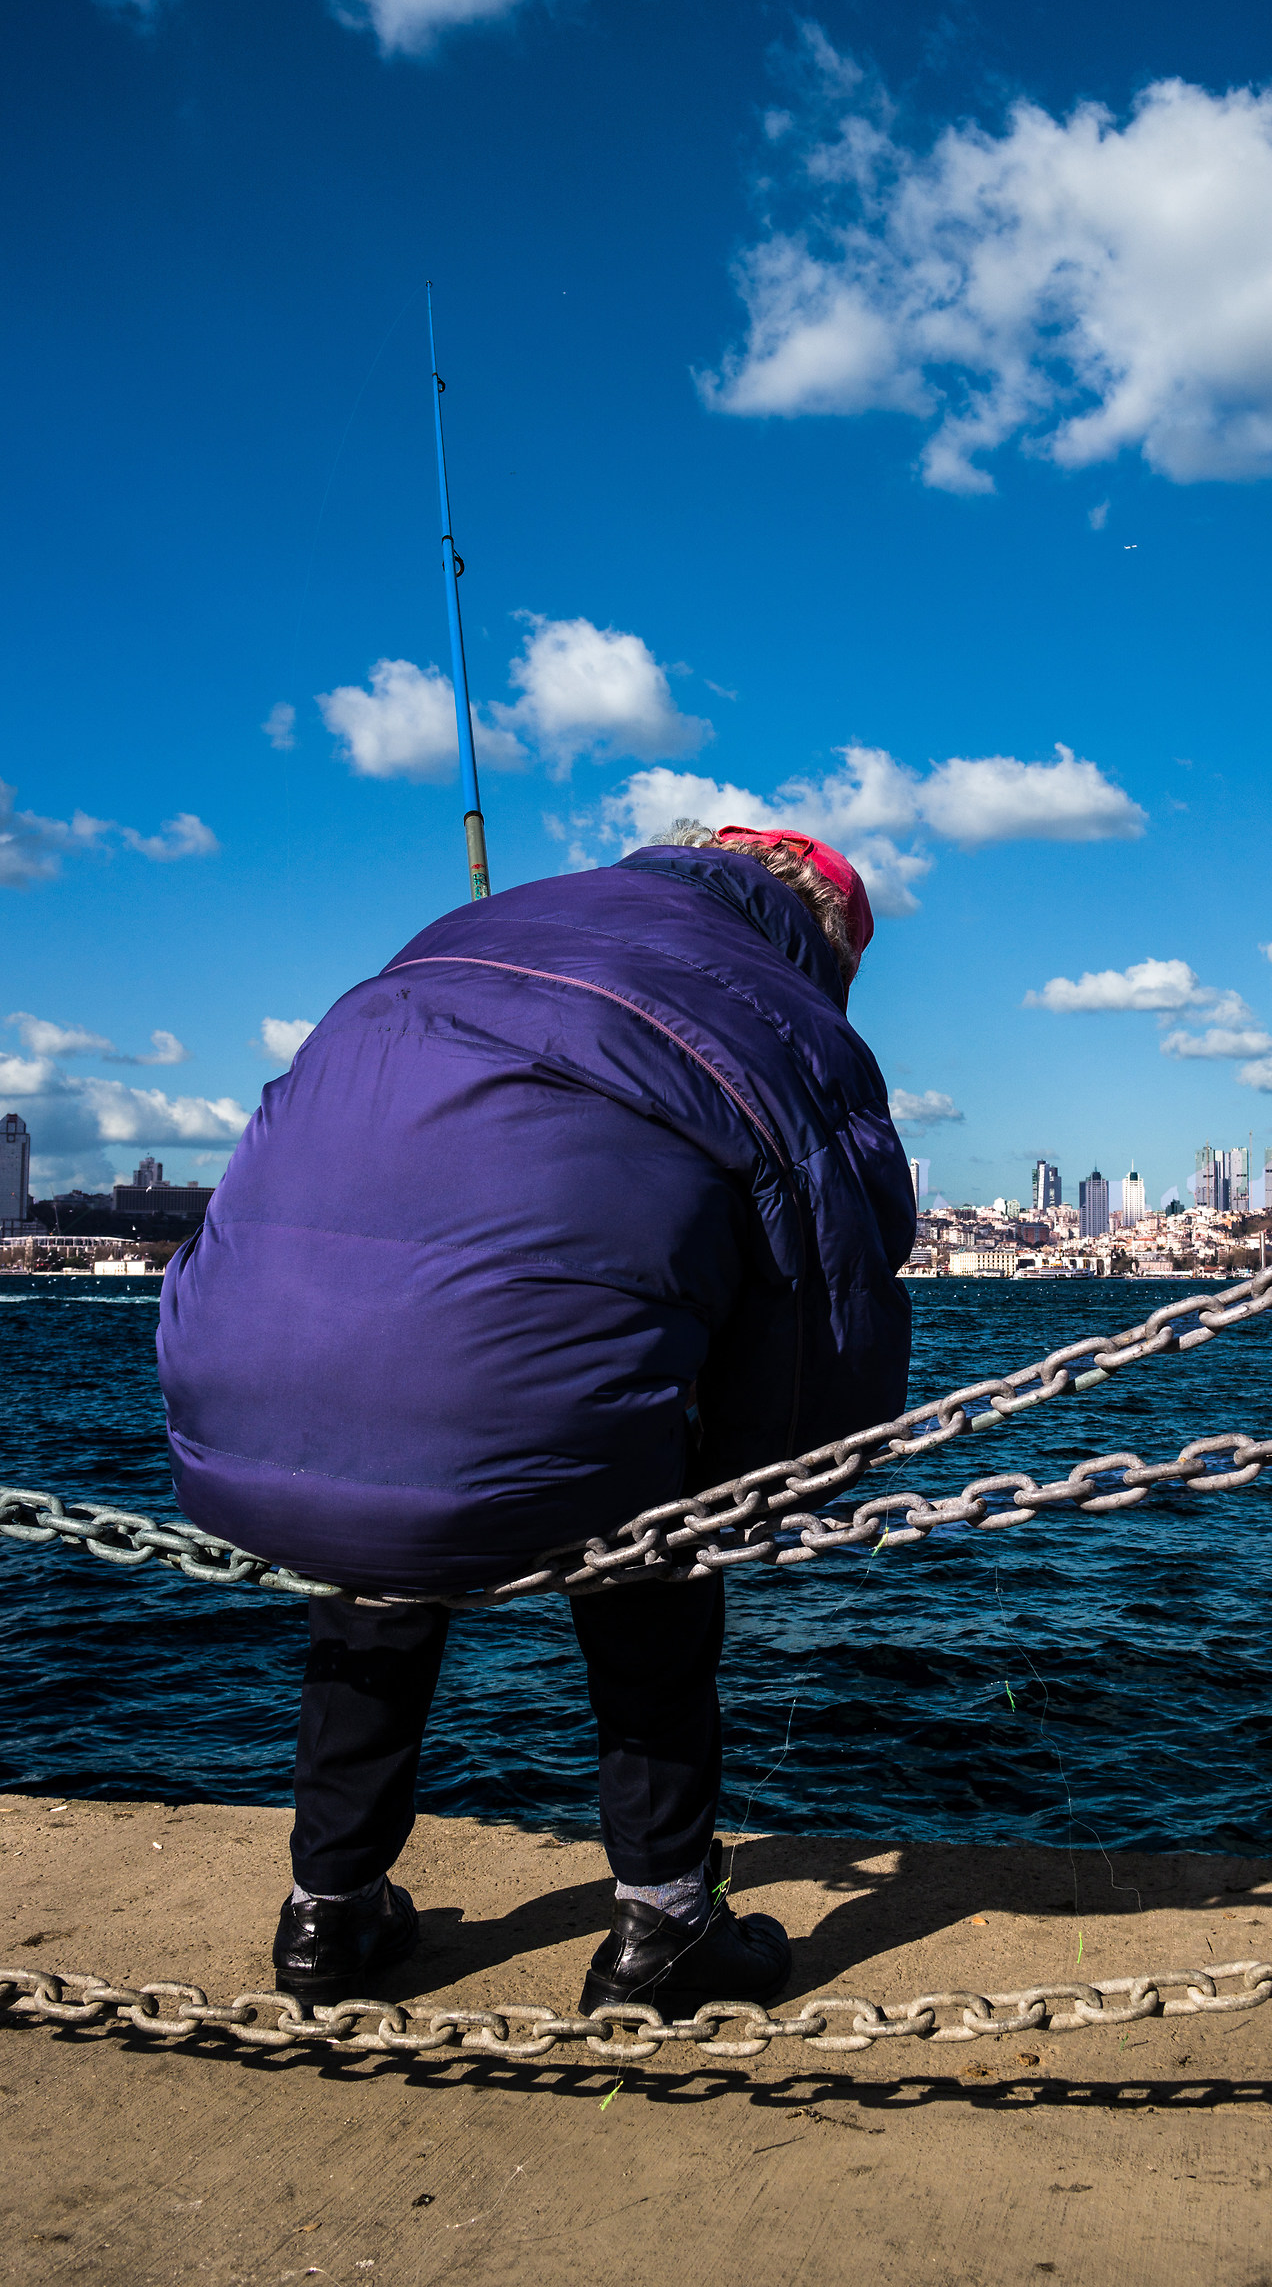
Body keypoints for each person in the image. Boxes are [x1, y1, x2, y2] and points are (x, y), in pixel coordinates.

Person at [157, 821, 916, 2017]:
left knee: (379, 1542)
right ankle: (665, 1925)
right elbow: (836, 1290)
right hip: (523, 1402)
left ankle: (329, 1914)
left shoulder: (464, 932)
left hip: (229, 1397)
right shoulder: (779, 1005)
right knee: (659, 1547)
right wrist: (774, 1481)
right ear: (826, 943)